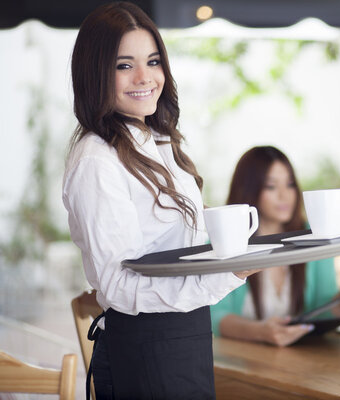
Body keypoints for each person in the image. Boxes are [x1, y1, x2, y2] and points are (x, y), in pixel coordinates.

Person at [62, 3, 256, 399]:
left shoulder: (159, 142)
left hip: (185, 337)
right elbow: (119, 285)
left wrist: (233, 258)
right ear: (95, 73)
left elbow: (179, 249)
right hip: (145, 348)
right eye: (123, 65)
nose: (145, 77)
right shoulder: (97, 160)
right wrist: (227, 276)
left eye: (153, 61)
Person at [210, 146, 340, 346]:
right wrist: (260, 332)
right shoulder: (226, 243)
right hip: (241, 361)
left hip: (301, 362)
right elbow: (214, 316)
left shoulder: (316, 237)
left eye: (290, 184)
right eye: (271, 186)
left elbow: (321, 311)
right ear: (248, 189)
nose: (285, 195)